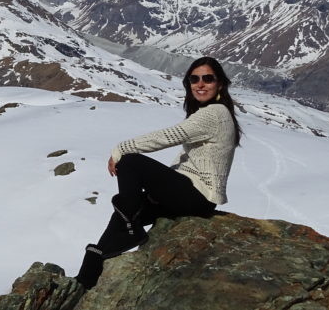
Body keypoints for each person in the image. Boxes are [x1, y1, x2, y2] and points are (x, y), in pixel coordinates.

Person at [74, 56, 242, 289]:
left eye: (207, 79)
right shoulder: (214, 113)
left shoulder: (214, 114)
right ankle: (87, 277)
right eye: (194, 79)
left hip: (197, 196)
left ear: (220, 84)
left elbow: (167, 137)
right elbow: (187, 160)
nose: (200, 84)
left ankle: (130, 232)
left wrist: (121, 149)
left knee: (131, 162)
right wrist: (158, 190)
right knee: (126, 211)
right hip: (193, 195)